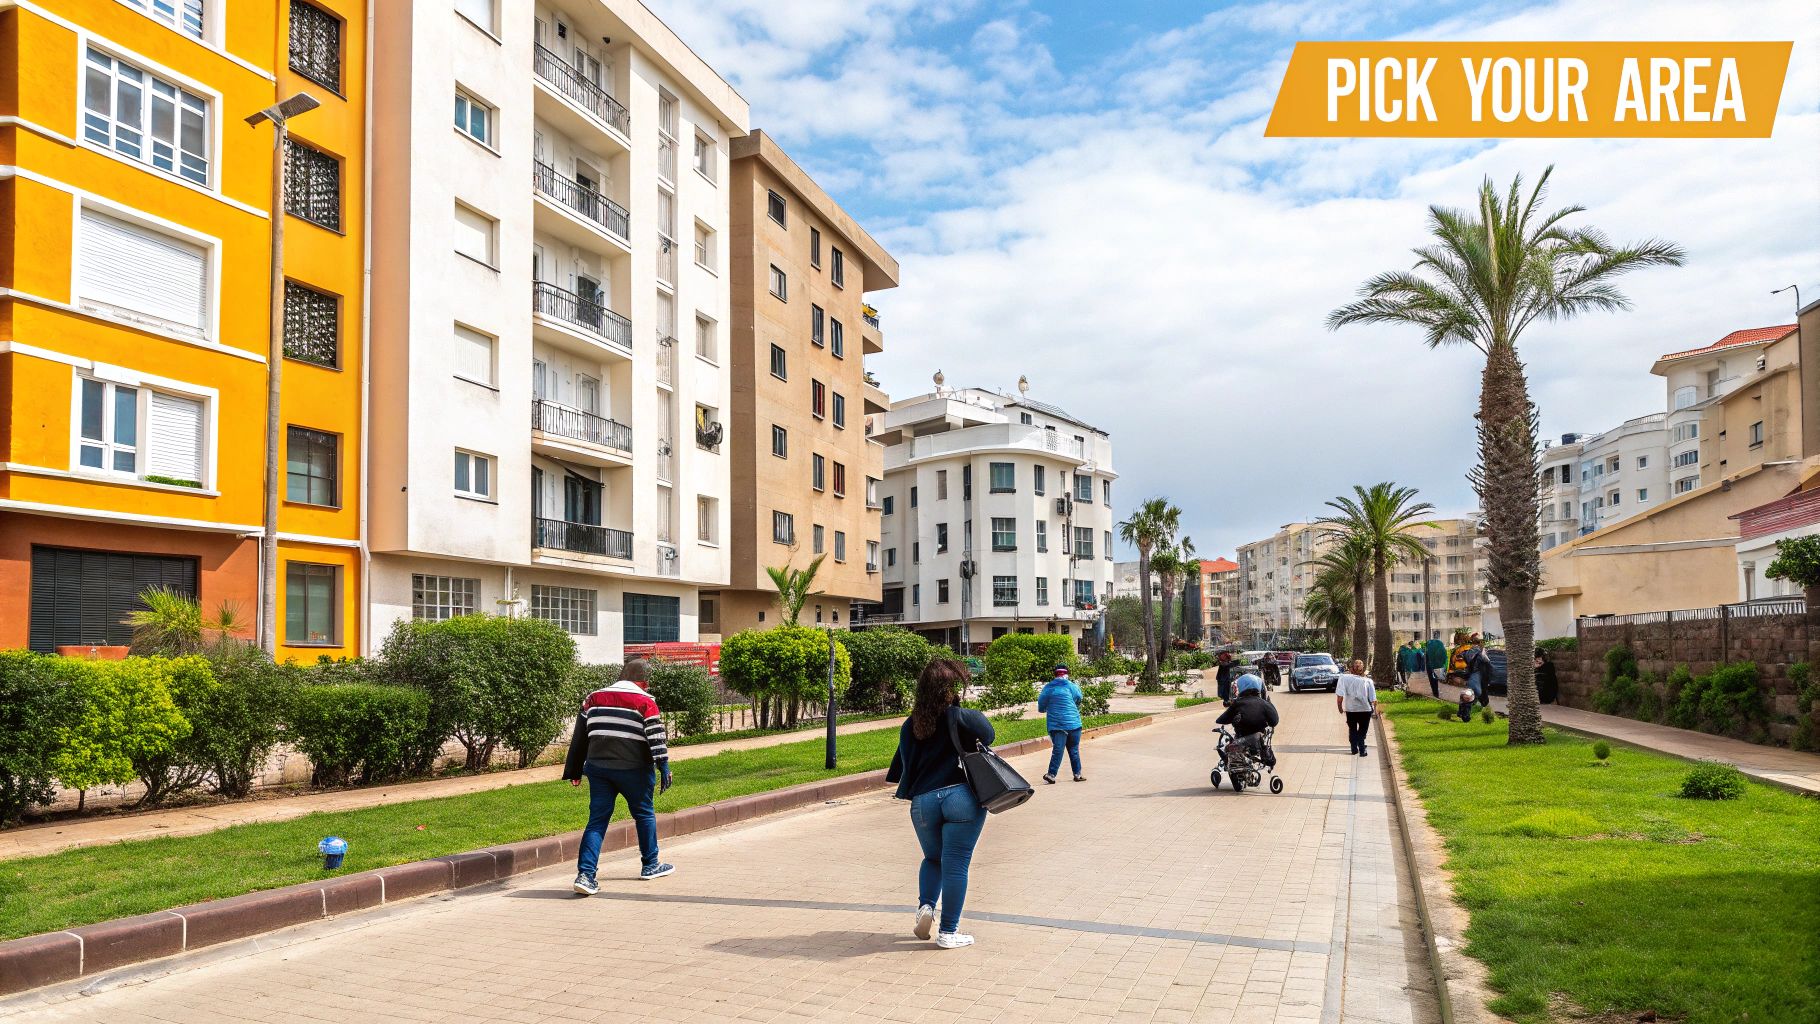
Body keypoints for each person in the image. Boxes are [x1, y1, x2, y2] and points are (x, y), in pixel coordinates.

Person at [886, 660, 994, 949]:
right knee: (956, 864)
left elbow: (902, 764)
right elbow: (989, 734)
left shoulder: (912, 724)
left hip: (923, 803)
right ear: (951, 689)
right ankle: (948, 932)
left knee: (933, 859)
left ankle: (926, 906)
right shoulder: (960, 717)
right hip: (960, 797)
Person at [563, 658, 674, 895]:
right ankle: (650, 865)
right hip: (634, 770)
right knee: (644, 814)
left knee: (597, 821)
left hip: (598, 769)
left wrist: (574, 770)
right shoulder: (645, 701)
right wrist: (664, 766)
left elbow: (581, 735)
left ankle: (585, 875)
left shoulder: (593, 698)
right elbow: (656, 737)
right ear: (644, 682)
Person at [1214, 674, 1279, 767]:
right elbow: (1274, 721)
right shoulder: (1264, 703)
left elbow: (1221, 720)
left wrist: (1234, 717)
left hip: (1241, 740)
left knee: (1226, 747)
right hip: (1258, 741)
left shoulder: (1237, 704)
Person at [1038, 664, 1085, 784]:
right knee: (1074, 749)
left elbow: (1042, 702)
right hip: (1074, 723)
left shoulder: (1049, 688)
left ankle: (1051, 775)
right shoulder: (1071, 686)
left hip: (1057, 725)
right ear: (1067, 674)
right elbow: (1079, 697)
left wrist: (1043, 709)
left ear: (1055, 674)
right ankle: (1077, 774)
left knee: (1058, 750)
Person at [1335, 658, 1378, 757]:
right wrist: (1375, 711)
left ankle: (1354, 749)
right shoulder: (1368, 681)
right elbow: (1373, 699)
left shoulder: (1343, 678)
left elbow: (1340, 696)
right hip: (1365, 710)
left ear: (1351, 669)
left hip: (1351, 710)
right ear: (1362, 669)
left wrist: (1340, 708)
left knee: (1352, 729)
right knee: (1362, 731)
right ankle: (1362, 750)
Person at [1461, 638, 1494, 708]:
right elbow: (1488, 662)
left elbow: (1465, 662)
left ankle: (1471, 705)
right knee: (1480, 691)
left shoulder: (1467, 652)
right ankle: (1480, 706)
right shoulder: (1481, 652)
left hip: (1470, 674)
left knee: (1472, 690)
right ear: (1479, 643)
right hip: (1479, 674)